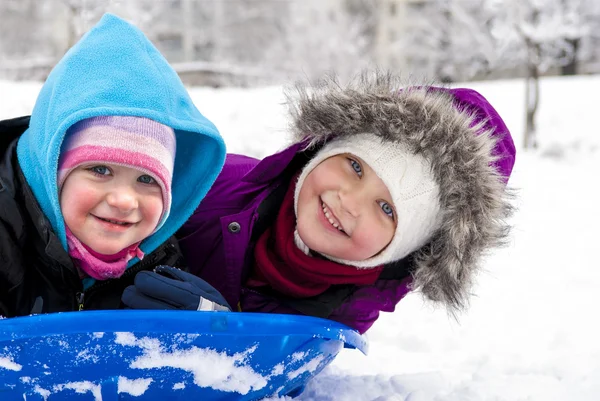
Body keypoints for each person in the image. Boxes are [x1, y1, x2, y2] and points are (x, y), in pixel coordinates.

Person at [130, 73, 516, 334]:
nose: (349, 202)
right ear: (323, 150)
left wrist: (222, 328)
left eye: (387, 209)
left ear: (402, 247)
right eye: (355, 166)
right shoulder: (209, 188)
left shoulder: (354, 302)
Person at [0, 14, 226, 318]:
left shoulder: (158, 258)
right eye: (100, 170)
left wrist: (211, 328)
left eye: (147, 178)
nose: (123, 200)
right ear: (52, 169)